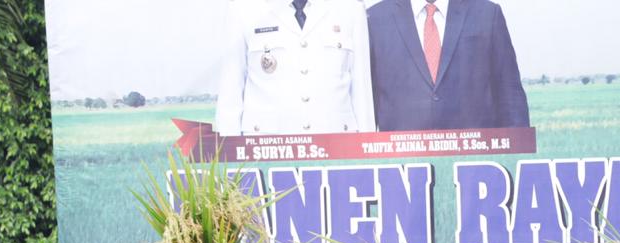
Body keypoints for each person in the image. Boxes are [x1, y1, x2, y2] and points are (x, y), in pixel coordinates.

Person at [215, 0, 375, 136]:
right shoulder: (243, 8)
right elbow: (231, 94)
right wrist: (228, 163)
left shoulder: (350, 7)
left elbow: (362, 93)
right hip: (265, 151)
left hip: (337, 147)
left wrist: (368, 157)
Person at [366, 0, 530, 131]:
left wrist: (516, 154)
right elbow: (366, 100)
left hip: (474, 160)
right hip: (402, 162)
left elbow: (510, 95)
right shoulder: (374, 19)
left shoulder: (487, 14)